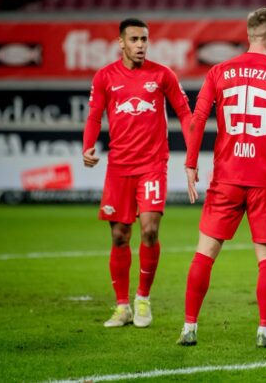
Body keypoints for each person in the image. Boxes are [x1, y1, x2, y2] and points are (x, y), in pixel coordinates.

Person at [177, 8, 266, 348]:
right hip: (265, 179)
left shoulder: (219, 71)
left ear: (249, 36)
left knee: (205, 253)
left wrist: (190, 164)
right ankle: (264, 331)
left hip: (226, 177)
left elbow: (198, 117)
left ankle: (189, 327)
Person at [82, 18, 192, 328]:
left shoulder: (162, 75)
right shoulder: (105, 77)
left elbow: (185, 112)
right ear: (121, 43)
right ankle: (121, 307)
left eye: (144, 39)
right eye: (134, 39)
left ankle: (142, 299)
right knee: (119, 236)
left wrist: (192, 155)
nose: (141, 44)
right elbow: (94, 115)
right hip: (119, 167)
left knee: (149, 231)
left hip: (153, 165)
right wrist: (88, 147)